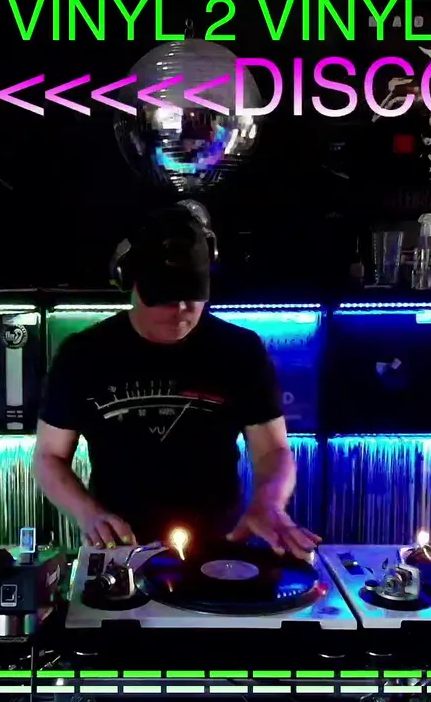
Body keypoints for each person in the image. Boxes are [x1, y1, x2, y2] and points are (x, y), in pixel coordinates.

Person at [32, 206, 320, 560]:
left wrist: (269, 503)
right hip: (120, 547)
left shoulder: (240, 350)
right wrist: (88, 513)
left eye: (192, 293)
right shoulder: (83, 354)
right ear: (130, 281)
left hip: (218, 547)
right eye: (166, 296)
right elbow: (49, 456)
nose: (181, 308)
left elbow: (272, 450)